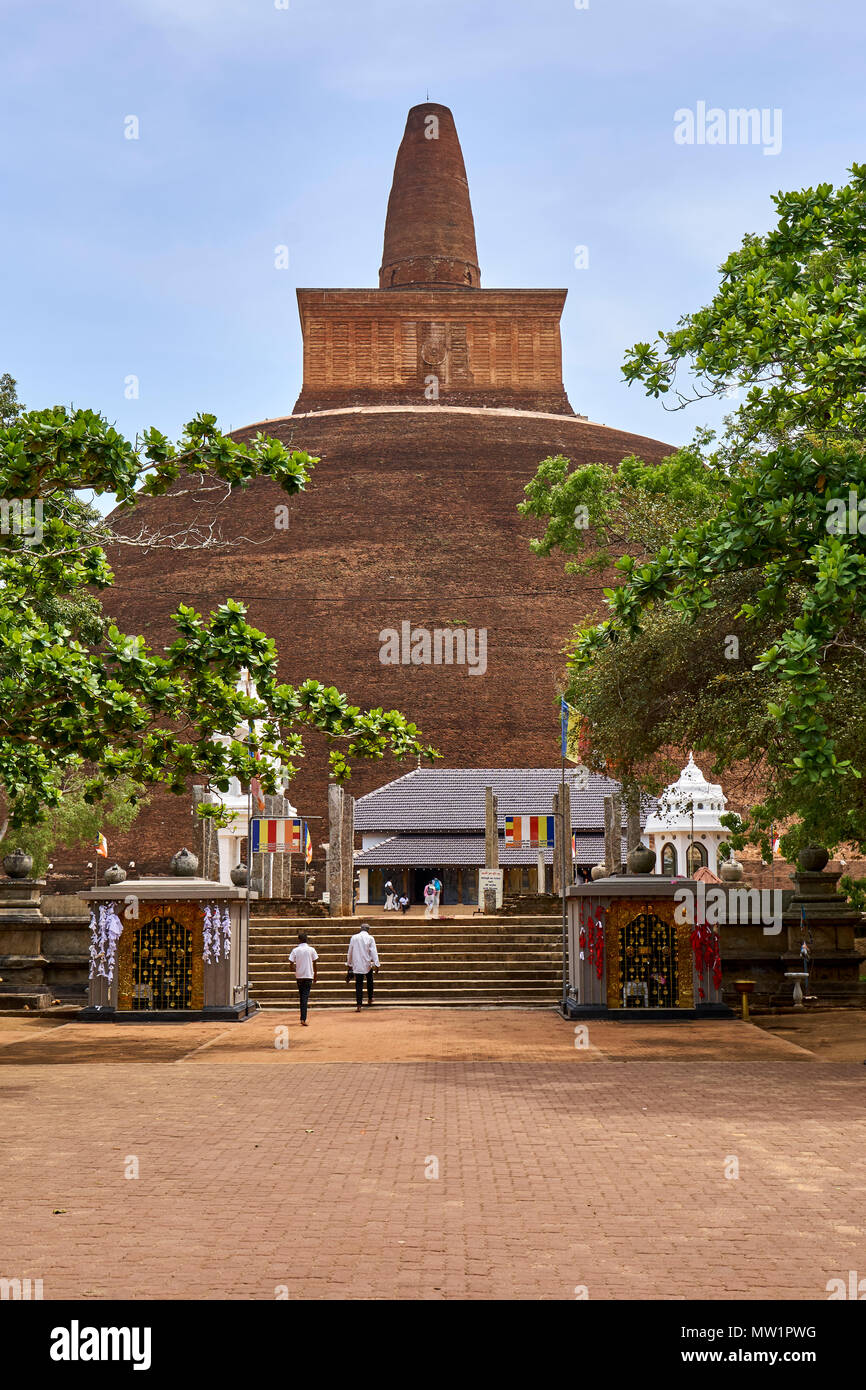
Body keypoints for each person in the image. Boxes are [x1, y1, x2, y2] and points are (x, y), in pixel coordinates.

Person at [288, 930, 318, 1026]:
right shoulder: (311, 950)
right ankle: (303, 1018)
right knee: (305, 997)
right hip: (308, 975)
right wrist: (315, 974)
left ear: (299, 940)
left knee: (302, 996)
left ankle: (302, 1017)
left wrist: (294, 970)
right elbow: (315, 963)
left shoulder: (295, 950)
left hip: (300, 976)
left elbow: (291, 963)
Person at [347, 922, 380, 1010]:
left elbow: (350, 951)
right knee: (370, 981)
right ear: (368, 930)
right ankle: (370, 998)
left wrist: (349, 964)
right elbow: (374, 952)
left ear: (361, 929)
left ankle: (359, 1005)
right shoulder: (370, 938)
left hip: (357, 964)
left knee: (359, 984)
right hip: (367, 964)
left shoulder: (354, 937)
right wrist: (377, 964)